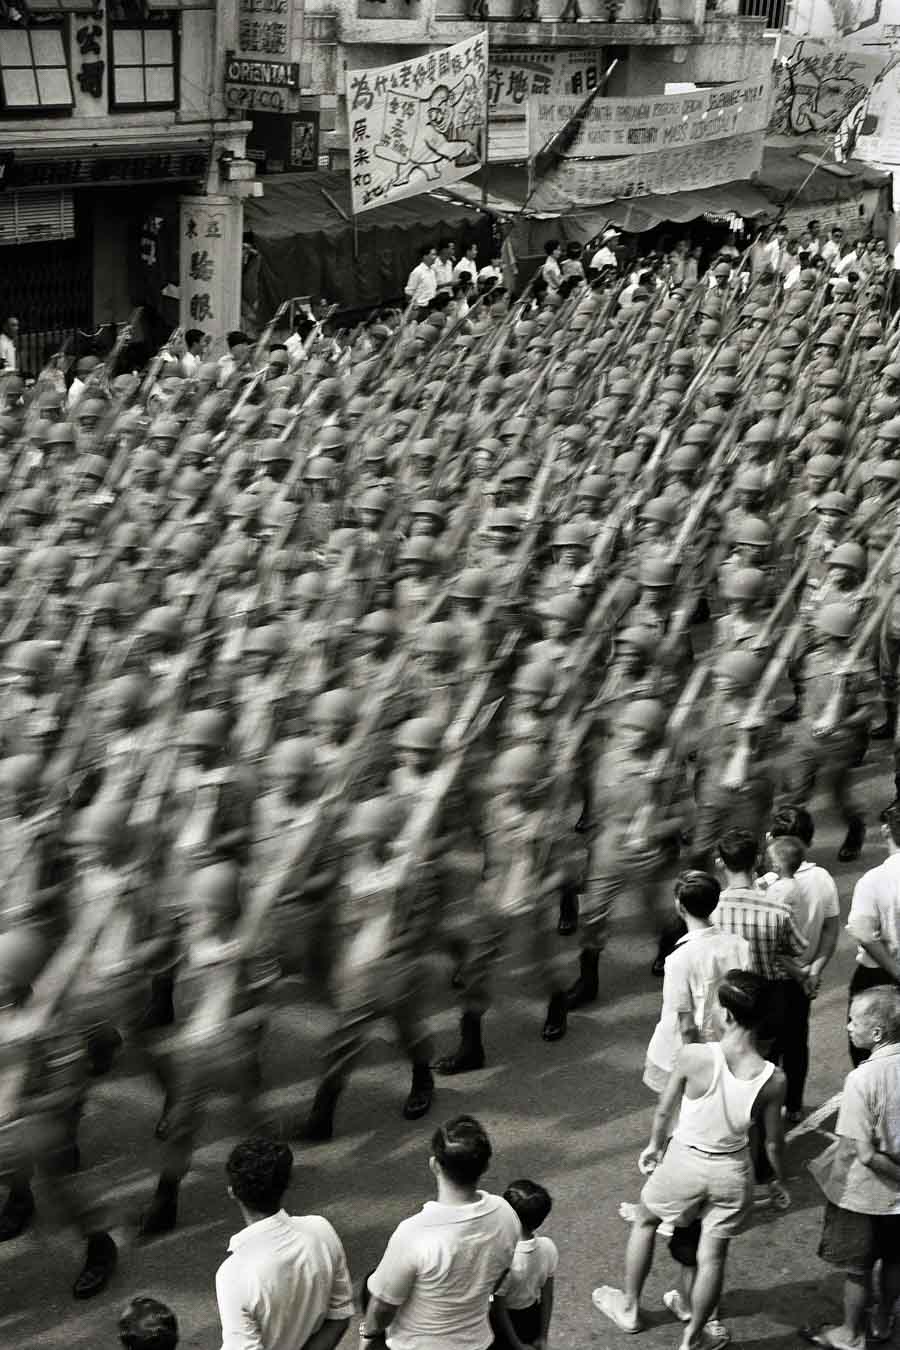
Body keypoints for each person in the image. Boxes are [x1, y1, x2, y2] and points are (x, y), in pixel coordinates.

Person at [592, 970, 788, 1350]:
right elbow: (773, 1143)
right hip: (732, 1171)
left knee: (646, 1220)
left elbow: (664, 1111)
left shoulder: (695, 1056)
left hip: (685, 1161)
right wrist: (777, 1180)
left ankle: (630, 1308)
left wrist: (653, 1146)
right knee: (713, 1257)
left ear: (727, 1015)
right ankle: (693, 1337)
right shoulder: (774, 1078)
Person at [361, 1115, 519, 1349]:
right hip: (477, 1342)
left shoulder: (414, 1234)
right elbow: (499, 1278)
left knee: (372, 1285)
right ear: (485, 1167)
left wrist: (367, 1334)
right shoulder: (506, 1214)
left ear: (434, 1165)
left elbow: (382, 1309)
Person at [807, 987, 900, 1350]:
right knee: (894, 1260)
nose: (847, 1027)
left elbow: (865, 1154)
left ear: (876, 1032)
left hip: (864, 1195)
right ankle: (883, 1319)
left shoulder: (862, 1079)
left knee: (858, 1268)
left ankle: (850, 1333)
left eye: (853, 1021)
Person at [215, 1137, 354, 1350]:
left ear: (232, 1192)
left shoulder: (233, 1274)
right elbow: (340, 1316)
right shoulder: (321, 1231)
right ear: (286, 1184)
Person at [761, 805, 841, 1119]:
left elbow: (768, 942)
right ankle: (793, 1106)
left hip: (771, 978)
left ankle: (765, 1109)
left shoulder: (766, 885)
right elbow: (831, 929)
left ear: (773, 841)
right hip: (804, 980)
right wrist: (815, 970)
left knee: (768, 1048)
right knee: (797, 1043)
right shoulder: (823, 878)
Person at [644, 871, 752, 1094]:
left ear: (680, 906)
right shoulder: (740, 945)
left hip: (691, 1051)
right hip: (728, 1044)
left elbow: (686, 1026)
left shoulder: (678, 959)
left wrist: (692, 1068)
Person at [845, 803, 900, 1065]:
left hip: (878, 975)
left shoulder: (874, 880)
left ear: (886, 830)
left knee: (870, 1051)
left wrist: (896, 970)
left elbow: (864, 934)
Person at [490, 1180, 557, 1350]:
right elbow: (547, 1296)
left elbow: (499, 1308)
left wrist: (517, 1345)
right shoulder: (548, 1247)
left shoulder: (505, 1259)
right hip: (533, 1316)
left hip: (506, 1325)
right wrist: (543, 1336)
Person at [404, 246, 438, 319]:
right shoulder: (417, 271)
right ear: (425, 256)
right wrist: (414, 307)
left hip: (431, 307)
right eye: (433, 254)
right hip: (420, 309)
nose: (435, 257)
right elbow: (408, 293)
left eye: (435, 254)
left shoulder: (432, 271)